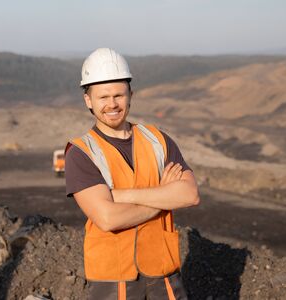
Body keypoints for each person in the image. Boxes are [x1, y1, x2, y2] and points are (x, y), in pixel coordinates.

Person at [65, 48, 200, 300]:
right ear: (88, 100)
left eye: (119, 95)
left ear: (131, 95)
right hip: (113, 279)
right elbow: (107, 218)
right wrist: (163, 199)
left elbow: (189, 194)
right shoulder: (81, 153)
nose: (112, 104)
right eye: (103, 97)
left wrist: (119, 195)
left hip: (164, 271)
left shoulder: (158, 140)